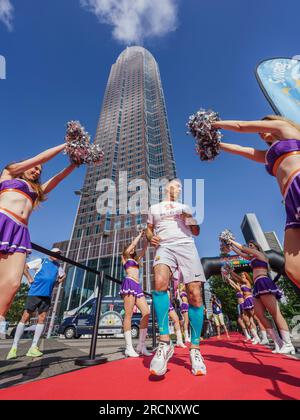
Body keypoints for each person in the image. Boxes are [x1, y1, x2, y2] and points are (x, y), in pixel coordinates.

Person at [0, 143, 78, 338]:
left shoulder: (36, 191)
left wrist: (75, 164)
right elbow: (40, 158)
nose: (36, 170)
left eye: (39, 171)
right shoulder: (9, 174)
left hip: (20, 232)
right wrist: (68, 144)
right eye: (34, 167)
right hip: (2, 220)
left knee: (13, 283)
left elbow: (57, 179)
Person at [213, 115, 300, 288]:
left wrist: (211, 124)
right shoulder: (269, 154)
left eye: (262, 126)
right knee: (293, 268)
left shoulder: (285, 128)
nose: (259, 132)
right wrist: (213, 144)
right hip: (290, 201)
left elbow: (241, 124)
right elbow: (240, 149)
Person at [146, 179, 207, 376]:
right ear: (166, 187)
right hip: (164, 246)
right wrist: (150, 237)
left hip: (186, 246)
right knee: (159, 284)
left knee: (195, 295)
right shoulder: (154, 208)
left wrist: (189, 216)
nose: (179, 188)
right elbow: (149, 229)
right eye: (176, 185)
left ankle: (195, 349)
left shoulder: (184, 206)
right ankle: (165, 342)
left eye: (181, 187)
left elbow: (196, 231)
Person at [229, 239, 295, 355]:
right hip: (257, 285)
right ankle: (278, 341)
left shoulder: (260, 255)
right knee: (259, 315)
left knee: (275, 313)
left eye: (251, 245)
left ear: (256, 246)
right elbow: (241, 253)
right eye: (249, 245)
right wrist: (230, 246)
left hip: (264, 282)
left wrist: (230, 239)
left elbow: (243, 249)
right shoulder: (252, 258)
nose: (249, 247)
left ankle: (288, 343)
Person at [6, 248, 66, 359]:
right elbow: (24, 267)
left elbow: (64, 275)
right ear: (51, 253)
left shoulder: (58, 267)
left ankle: (33, 348)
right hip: (35, 293)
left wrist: (57, 282)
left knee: (42, 318)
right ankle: (14, 348)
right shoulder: (41, 261)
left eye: (60, 254)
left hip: (46, 296)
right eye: (57, 254)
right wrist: (29, 277)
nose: (58, 256)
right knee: (25, 316)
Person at [120, 230, 152, 358]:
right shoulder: (125, 257)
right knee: (129, 315)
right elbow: (133, 245)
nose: (132, 249)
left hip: (137, 286)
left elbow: (144, 250)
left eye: (133, 248)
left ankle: (141, 345)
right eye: (131, 248)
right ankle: (128, 347)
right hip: (129, 284)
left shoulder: (136, 259)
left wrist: (147, 239)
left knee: (146, 312)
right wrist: (139, 235)